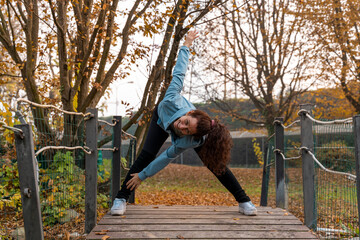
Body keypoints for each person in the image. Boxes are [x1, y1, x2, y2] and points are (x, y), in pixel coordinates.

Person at [110, 30, 257, 216]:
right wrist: (186, 44)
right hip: (161, 118)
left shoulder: (191, 139)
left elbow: (166, 157)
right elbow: (180, 71)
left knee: (216, 165)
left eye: (187, 130)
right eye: (185, 122)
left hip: (196, 132)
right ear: (190, 112)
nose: (182, 127)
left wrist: (143, 176)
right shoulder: (172, 98)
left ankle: (244, 201)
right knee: (146, 156)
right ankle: (120, 198)